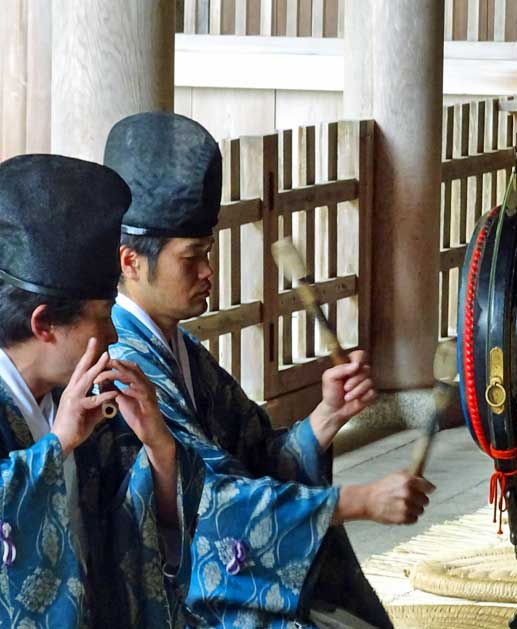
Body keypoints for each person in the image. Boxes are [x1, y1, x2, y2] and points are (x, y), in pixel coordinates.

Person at [104, 111, 434, 627]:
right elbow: (209, 501)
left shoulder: (182, 351)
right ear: (130, 262)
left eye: (207, 254)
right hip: (177, 603)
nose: (208, 272)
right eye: (192, 259)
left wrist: (326, 417)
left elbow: (254, 455)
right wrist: (359, 500)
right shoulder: (126, 366)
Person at [0, 154, 204, 627]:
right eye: (102, 315)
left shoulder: (83, 399)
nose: (114, 334)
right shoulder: (69, 418)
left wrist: (160, 448)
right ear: (45, 324)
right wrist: (57, 447)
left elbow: (140, 534)